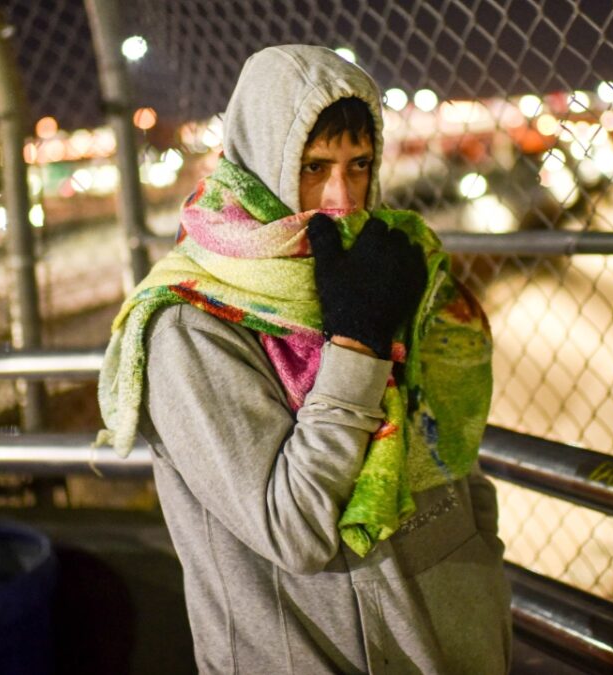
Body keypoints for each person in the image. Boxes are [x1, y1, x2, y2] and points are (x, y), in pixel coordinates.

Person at [98, 44, 511, 674]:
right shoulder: (189, 325)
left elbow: (452, 453)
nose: (342, 198)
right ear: (264, 161)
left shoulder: (387, 267)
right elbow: (294, 529)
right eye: (314, 167)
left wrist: (482, 564)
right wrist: (355, 347)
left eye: (360, 164)